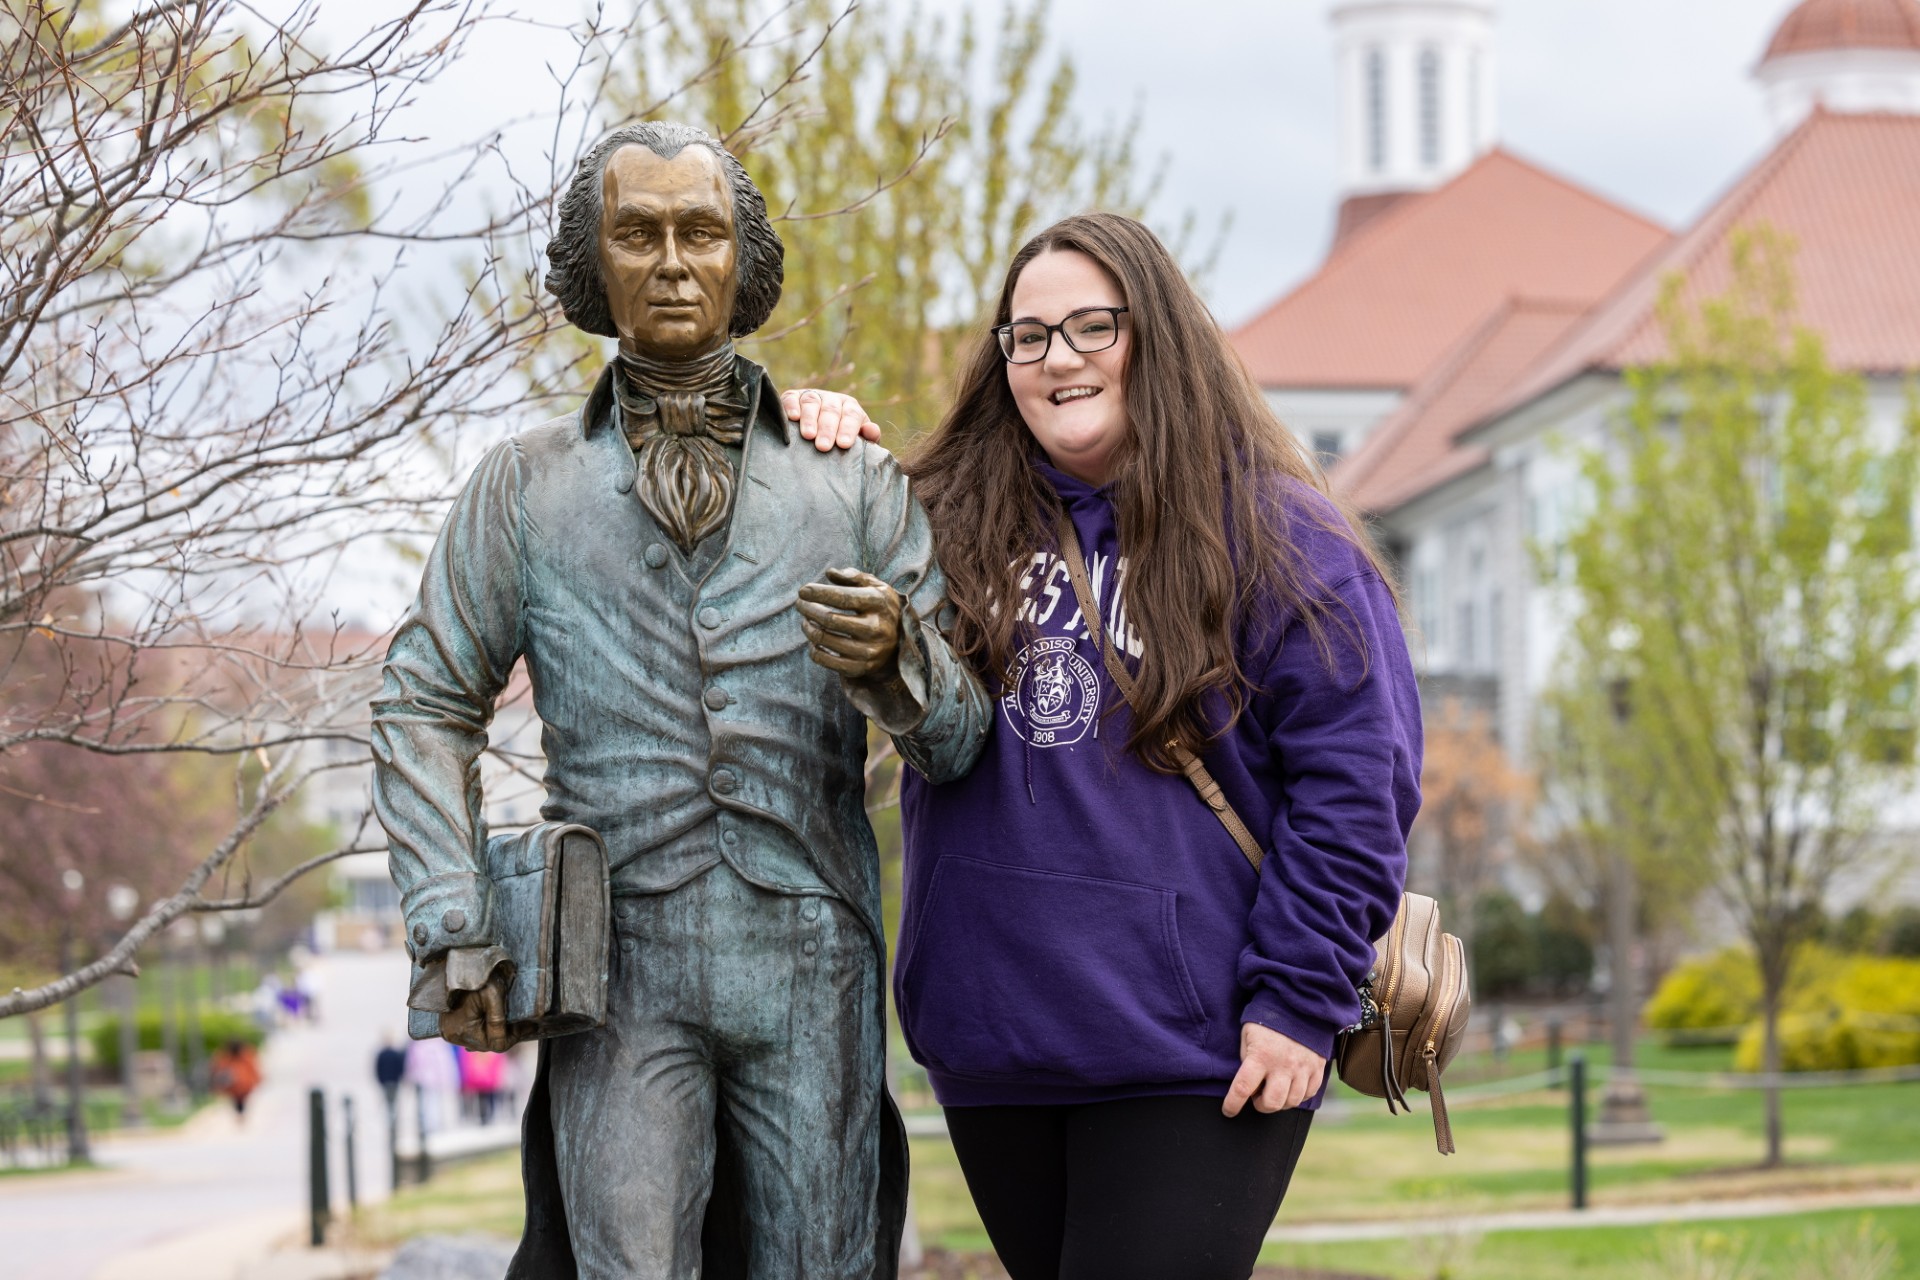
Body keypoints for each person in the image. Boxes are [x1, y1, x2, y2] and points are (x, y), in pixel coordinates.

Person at [370, 120, 990, 1280]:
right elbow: (424, 698)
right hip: (617, 968)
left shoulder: (848, 476)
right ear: (591, 263)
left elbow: (960, 741)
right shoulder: (525, 486)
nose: (670, 259)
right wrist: (455, 921)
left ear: (740, 261)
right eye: (637, 232)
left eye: (700, 231)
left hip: (812, 953)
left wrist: (898, 663)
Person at [783, 212, 1419, 1280]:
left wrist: (1299, 1000)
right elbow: (813, 550)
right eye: (1027, 336)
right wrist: (814, 437)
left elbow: (1357, 784)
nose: (1057, 358)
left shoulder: (1277, 538)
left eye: (1091, 326)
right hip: (996, 1043)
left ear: (1156, 335)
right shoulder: (941, 520)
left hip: (1199, 1051)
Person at [208, 1038, 261, 1121]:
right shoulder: (228, 1056)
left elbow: (253, 1068)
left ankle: (240, 1113)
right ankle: (240, 1113)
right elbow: (217, 1069)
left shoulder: (243, 1055)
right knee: (238, 1100)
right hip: (236, 1085)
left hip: (241, 1085)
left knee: (239, 1100)